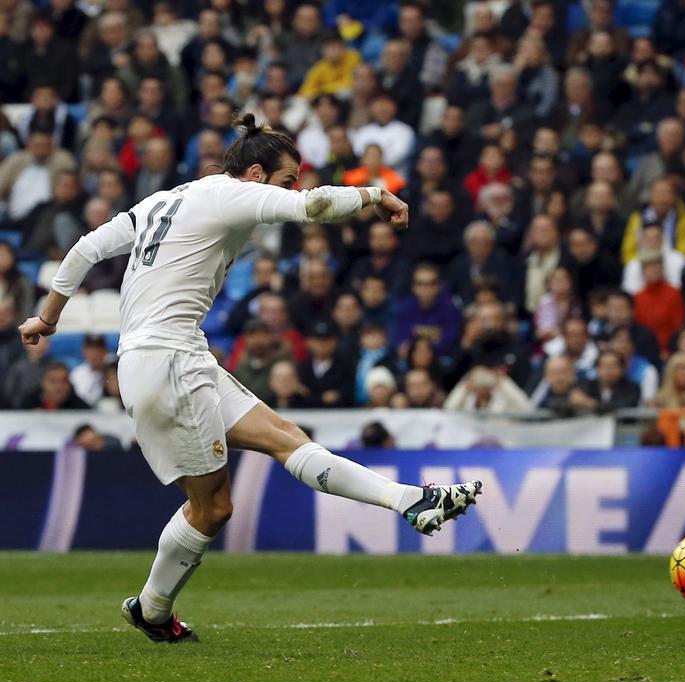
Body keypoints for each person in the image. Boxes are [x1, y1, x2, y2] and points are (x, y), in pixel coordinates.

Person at [18, 115, 481, 644]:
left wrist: (49, 316)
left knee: (287, 438)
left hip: (176, 355)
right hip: (166, 361)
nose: (294, 189)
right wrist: (377, 194)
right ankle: (151, 607)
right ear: (257, 174)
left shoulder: (165, 200)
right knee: (212, 507)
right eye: (287, 179)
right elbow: (314, 207)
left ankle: (409, 501)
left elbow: (84, 249)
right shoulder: (230, 196)